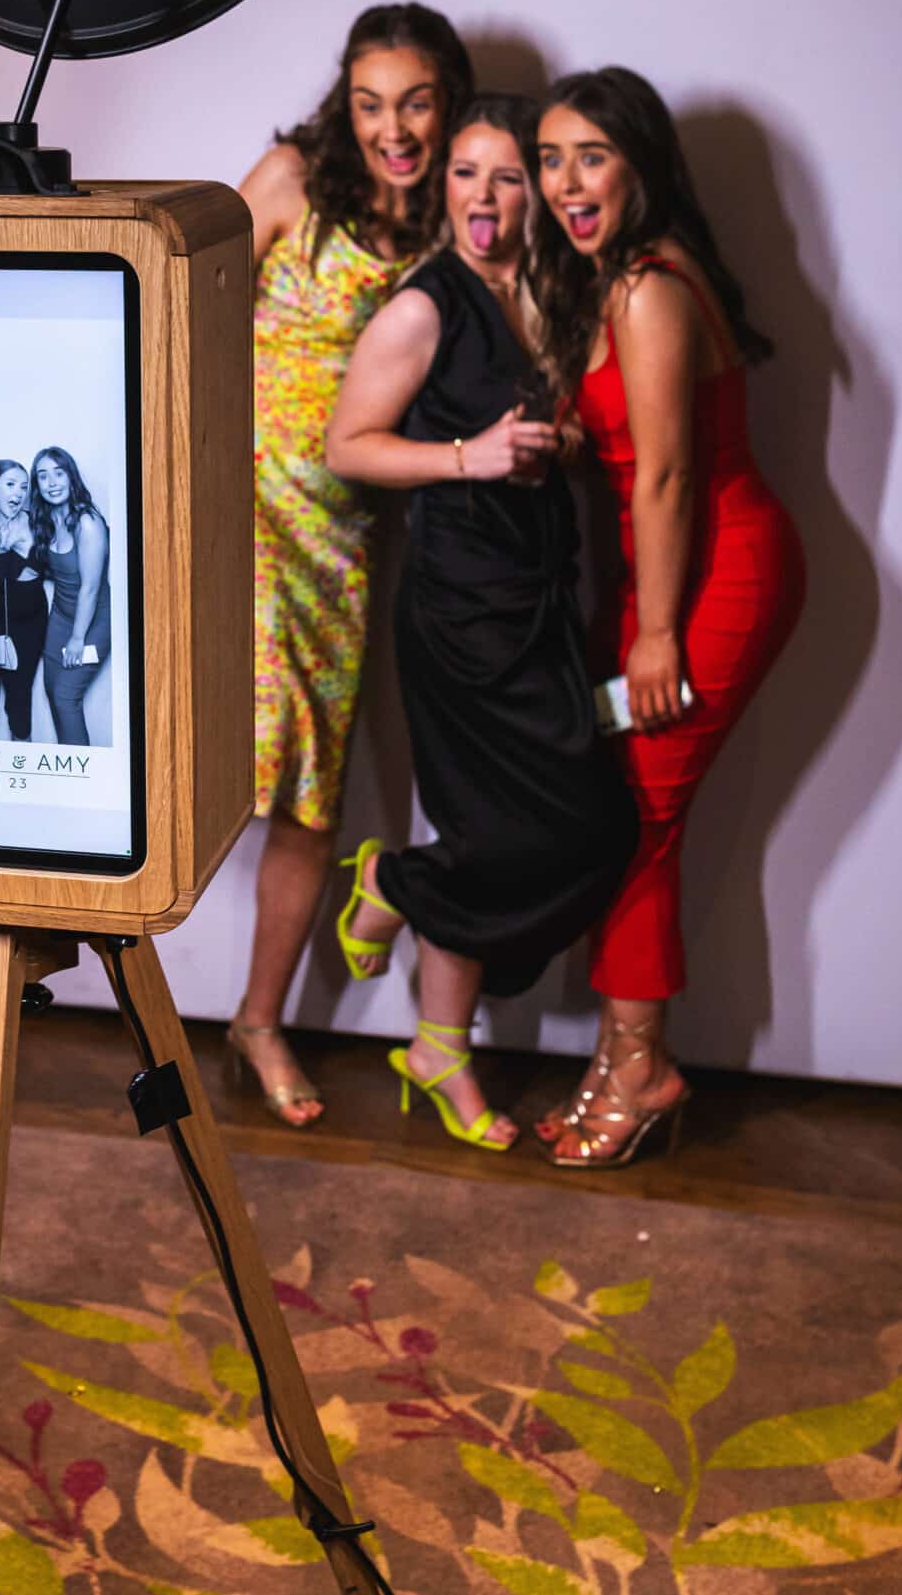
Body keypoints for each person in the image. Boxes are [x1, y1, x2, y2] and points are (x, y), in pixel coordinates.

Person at [326, 96, 638, 1152]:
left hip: (543, 600)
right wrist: (470, 456)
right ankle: (391, 883)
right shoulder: (425, 307)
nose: (485, 198)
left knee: (565, 828)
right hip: (460, 613)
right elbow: (348, 445)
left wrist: (563, 449)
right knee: (530, 832)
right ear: (444, 184)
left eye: (509, 176)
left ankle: (435, 1043)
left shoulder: (548, 290)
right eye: (466, 173)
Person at [529, 67, 806, 1168]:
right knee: (625, 812)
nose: (564, 182)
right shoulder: (620, 279)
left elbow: (672, 480)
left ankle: (640, 1064)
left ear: (640, 163)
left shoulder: (648, 285)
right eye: (549, 158)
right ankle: (617, 1053)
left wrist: (653, 635)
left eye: (589, 155)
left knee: (642, 815)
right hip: (662, 577)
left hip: (714, 571)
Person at [230, 2, 474, 1125]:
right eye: (373, 102)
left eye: (416, 100)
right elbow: (174, 303)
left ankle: (257, 1020)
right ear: (346, 102)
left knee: (311, 796)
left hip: (343, 538)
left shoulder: (454, 220)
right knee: (213, 756)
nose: (395, 126)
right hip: (232, 510)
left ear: (448, 102)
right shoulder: (289, 179)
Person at [30, 447, 111, 745]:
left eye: (58, 473)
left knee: (66, 698)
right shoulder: (46, 520)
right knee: (53, 690)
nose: (52, 482)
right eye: (43, 476)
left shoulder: (88, 523)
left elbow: (90, 588)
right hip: (61, 615)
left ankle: (84, 779)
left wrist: (78, 638)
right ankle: (69, 768)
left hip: (94, 620)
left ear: (70, 476)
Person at [0, 460, 50, 741]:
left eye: (24, 487)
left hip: (32, 620)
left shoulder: (35, 520)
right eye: (10, 484)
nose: (18, 492)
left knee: (20, 693)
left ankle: (24, 749)